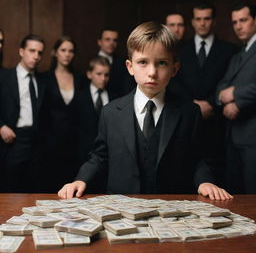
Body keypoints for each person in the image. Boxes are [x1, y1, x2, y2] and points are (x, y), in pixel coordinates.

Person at [58, 21, 232, 200]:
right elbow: (99, 156)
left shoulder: (190, 112)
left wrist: (205, 181)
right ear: (130, 67)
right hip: (122, 208)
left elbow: (198, 158)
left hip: (171, 209)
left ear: (175, 68)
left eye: (162, 63)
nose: (152, 72)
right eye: (142, 62)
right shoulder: (110, 112)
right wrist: (81, 180)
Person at [169, 3, 237, 186]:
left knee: (221, 177)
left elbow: (230, 80)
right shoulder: (180, 50)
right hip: (187, 119)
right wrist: (193, 104)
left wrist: (211, 103)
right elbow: (173, 82)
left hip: (217, 121)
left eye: (207, 18)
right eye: (198, 19)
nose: (202, 23)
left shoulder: (229, 49)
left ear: (214, 21)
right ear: (192, 22)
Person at [216, 3, 256, 194]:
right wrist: (224, 98)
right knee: (237, 195)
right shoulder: (238, 55)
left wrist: (236, 97)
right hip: (232, 136)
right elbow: (222, 85)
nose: (238, 26)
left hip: (252, 136)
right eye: (235, 22)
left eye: (243, 20)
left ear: (254, 20)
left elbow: (231, 89)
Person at [39, 36, 86, 193]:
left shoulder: (80, 79)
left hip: (74, 145)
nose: (67, 54)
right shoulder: (44, 78)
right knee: (50, 188)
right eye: (63, 50)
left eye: (71, 51)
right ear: (55, 53)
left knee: (72, 191)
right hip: (50, 145)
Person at [0, 34, 45, 192]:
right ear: (21, 51)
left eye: (40, 53)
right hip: (12, 141)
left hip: (36, 142)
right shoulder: (4, 77)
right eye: (32, 51)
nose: (36, 56)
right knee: (10, 189)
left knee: (33, 191)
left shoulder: (44, 80)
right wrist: (1, 127)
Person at [76, 56, 117, 192]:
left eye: (106, 75)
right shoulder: (78, 97)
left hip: (108, 156)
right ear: (89, 74)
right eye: (99, 74)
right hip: (83, 155)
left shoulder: (115, 97)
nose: (103, 78)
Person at [97, 28, 134, 96]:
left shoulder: (124, 63)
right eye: (107, 39)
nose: (111, 43)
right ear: (99, 42)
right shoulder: (90, 61)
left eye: (115, 40)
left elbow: (127, 87)